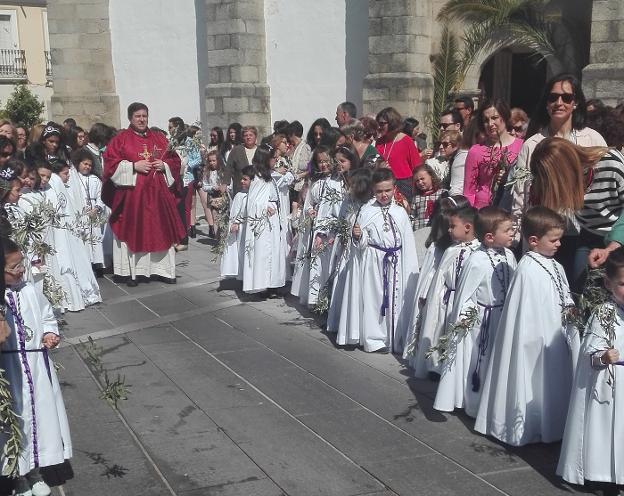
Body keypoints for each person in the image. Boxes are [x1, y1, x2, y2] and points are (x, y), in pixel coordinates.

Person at [475, 207, 578, 446]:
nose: (559, 244)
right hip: (534, 340)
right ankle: (527, 423)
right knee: (534, 380)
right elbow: (525, 315)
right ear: (533, 241)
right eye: (553, 240)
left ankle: (552, 422)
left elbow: (562, 293)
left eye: (560, 239)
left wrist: (569, 308)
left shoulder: (555, 265)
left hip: (555, 335)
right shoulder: (527, 269)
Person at [2, 239, 72, 494]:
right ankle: (18, 476)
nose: (20, 269)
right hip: (10, 369)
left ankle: (35, 471)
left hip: (36, 367)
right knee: (15, 421)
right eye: (13, 267)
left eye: (21, 264)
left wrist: (50, 333)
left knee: (40, 419)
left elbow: (47, 316)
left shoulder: (30, 290)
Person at [433, 207, 517, 416]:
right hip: (481, 321)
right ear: (489, 237)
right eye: (507, 231)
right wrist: (465, 317)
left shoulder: (509, 255)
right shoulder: (476, 260)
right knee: (479, 360)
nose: (513, 234)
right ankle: (475, 404)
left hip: (502, 316)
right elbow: (466, 295)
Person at [557, 248, 624, 491]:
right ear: (608, 283)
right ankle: (601, 472)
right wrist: (603, 356)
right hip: (610, 384)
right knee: (606, 429)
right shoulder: (604, 313)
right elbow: (590, 353)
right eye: (623, 284)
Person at [102, 102, 186, 287]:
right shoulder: (121, 139)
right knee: (134, 231)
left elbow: (174, 161)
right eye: (138, 116)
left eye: (144, 116)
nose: (141, 119)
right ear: (130, 118)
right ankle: (133, 273)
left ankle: (162, 271)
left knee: (160, 230)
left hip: (158, 197)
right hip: (133, 199)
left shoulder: (159, 138)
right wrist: (133, 166)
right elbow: (109, 164)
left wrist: (163, 166)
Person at [510, 74, 607, 233]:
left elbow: (606, 181)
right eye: (553, 97)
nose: (559, 103)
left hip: (583, 232)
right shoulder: (531, 145)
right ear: (546, 103)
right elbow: (521, 192)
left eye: (567, 98)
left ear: (575, 103)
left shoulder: (592, 138)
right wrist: (516, 234)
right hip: (542, 232)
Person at [529, 138, 624, 290]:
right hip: (589, 234)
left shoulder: (611, 164)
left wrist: (611, 248)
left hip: (619, 235)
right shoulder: (563, 182)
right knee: (579, 287)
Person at [352, 168, 419, 353]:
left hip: (396, 261)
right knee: (375, 299)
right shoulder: (366, 210)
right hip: (374, 263)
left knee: (395, 298)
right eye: (379, 191)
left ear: (394, 188)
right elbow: (361, 244)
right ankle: (375, 339)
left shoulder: (400, 212)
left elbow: (407, 242)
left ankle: (395, 337)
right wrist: (358, 236)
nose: (383, 195)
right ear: (373, 190)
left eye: (387, 190)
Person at [410, 205, 480, 378]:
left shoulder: (479, 252)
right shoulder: (450, 250)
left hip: (466, 302)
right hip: (446, 300)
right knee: (440, 330)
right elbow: (440, 278)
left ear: (467, 227)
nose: (448, 230)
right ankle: (436, 366)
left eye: (452, 226)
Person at [327, 168, 373, 346]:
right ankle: (339, 320)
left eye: (352, 184)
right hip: (346, 249)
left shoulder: (368, 206)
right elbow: (343, 220)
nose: (349, 187)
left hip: (360, 253)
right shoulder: (349, 201)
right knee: (340, 283)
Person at [242, 145, 288, 296]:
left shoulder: (268, 175)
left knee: (274, 251)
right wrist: (265, 206)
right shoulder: (257, 177)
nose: (276, 160)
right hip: (263, 220)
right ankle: (263, 284)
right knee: (264, 252)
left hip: (273, 219)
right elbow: (253, 201)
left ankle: (273, 283)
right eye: (274, 157)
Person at [463, 99, 523, 209]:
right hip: (482, 211)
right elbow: (468, 192)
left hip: (513, 207)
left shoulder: (522, 146)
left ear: (504, 117)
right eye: (486, 120)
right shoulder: (476, 151)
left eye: (494, 118)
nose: (490, 124)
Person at [375, 107, 422, 202]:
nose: (379, 127)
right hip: (383, 183)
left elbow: (417, 166)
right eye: (378, 123)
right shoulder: (379, 142)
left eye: (382, 123)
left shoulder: (406, 140)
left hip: (404, 184)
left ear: (392, 122)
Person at [73, 148, 108, 277]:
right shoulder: (74, 178)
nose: (87, 167)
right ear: (78, 163)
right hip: (82, 212)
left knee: (96, 238)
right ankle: (87, 263)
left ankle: (98, 264)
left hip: (94, 211)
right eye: (85, 164)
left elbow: (101, 197)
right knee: (84, 238)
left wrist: (97, 208)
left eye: (89, 165)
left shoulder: (95, 179)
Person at [220, 166, 252, 279]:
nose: (242, 181)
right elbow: (235, 213)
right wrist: (235, 223)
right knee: (241, 252)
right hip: (242, 230)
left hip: (251, 229)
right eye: (242, 179)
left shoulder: (255, 196)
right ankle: (243, 276)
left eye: (245, 179)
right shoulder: (240, 195)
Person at [225, 125, 257, 195]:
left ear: (255, 136)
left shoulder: (260, 150)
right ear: (243, 138)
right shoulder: (237, 150)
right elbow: (229, 167)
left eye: (251, 135)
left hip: (257, 188)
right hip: (241, 187)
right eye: (246, 135)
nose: (248, 137)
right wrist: (225, 183)